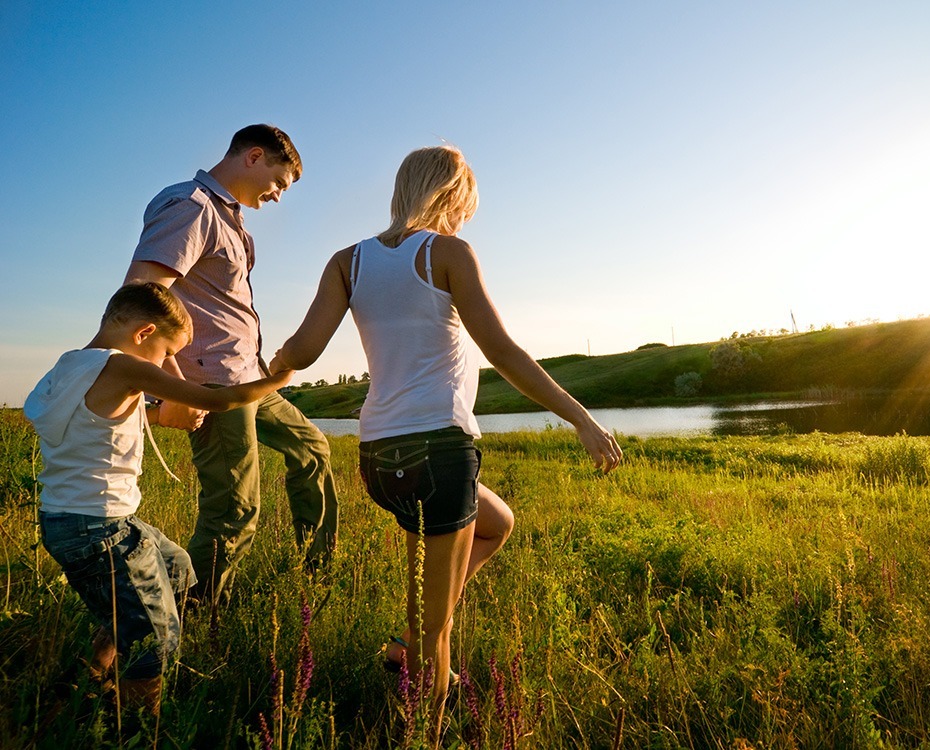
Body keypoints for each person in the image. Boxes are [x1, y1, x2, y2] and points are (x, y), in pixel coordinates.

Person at [269, 145, 622, 733]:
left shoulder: (346, 261)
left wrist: (255, 377)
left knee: (498, 523)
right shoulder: (448, 252)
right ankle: (424, 728)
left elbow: (301, 353)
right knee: (440, 630)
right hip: (439, 452)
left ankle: (406, 644)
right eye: (466, 206)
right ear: (451, 196)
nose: (464, 219)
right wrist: (582, 419)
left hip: (378, 456)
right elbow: (503, 353)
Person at [24, 282, 294, 716]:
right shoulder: (126, 366)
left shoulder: (68, 366)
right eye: (168, 352)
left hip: (70, 522)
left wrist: (155, 415)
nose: (170, 365)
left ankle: (91, 675)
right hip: (101, 530)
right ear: (144, 333)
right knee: (156, 638)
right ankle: (133, 727)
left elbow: (91, 418)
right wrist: (280, 376)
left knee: (176, 567)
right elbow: (220, 399)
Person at [123, 124, 339, 605]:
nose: (279, 196)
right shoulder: (191, 207)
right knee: (234, 513)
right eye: (280, 182)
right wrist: (174, 389)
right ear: (254, 156)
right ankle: (183, 619)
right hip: (211, 385)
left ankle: (318, 576)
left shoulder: (229, 218)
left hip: (249, 378)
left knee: (313, 450)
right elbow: (140, 295)